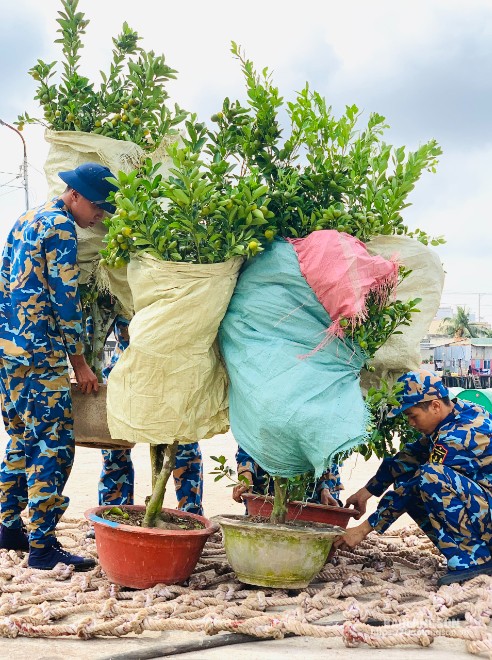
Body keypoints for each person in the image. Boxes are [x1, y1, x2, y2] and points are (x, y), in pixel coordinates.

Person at [0, 162, 117, 571]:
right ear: (76, 196)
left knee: (20, 438)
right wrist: (80, 363)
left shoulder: (23, 220)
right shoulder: (61, 228)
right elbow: (65, 302)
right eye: (98, 207)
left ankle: (9, 527)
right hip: (40, 356)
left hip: (9, 354)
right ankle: (43, 546)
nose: (100, 215)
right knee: (52, 444)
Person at [334, 369, 492, 586]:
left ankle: (476, 560)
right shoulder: (458, 412)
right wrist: (367, 491)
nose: (410, 423)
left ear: (435, 405)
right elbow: (411, 455)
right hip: (483, 504)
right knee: (412, 479)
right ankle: (464, 551)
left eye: (412, 415)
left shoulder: (459, 435)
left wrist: (363, 530)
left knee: (429, 478)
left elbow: (416, 483)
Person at [98, 316, 204, 514]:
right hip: (126, 372)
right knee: (114, 448)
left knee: (184, 446)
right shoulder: (119, 288)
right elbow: (98, 324)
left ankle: (192, 514)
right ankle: (113, 514)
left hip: (172, 370)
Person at [232, 445, 344, 507]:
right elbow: (249, 442)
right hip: (268, 484)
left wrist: (325, 486)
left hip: (310, 489)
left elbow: (328, 451)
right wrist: (245, 475)